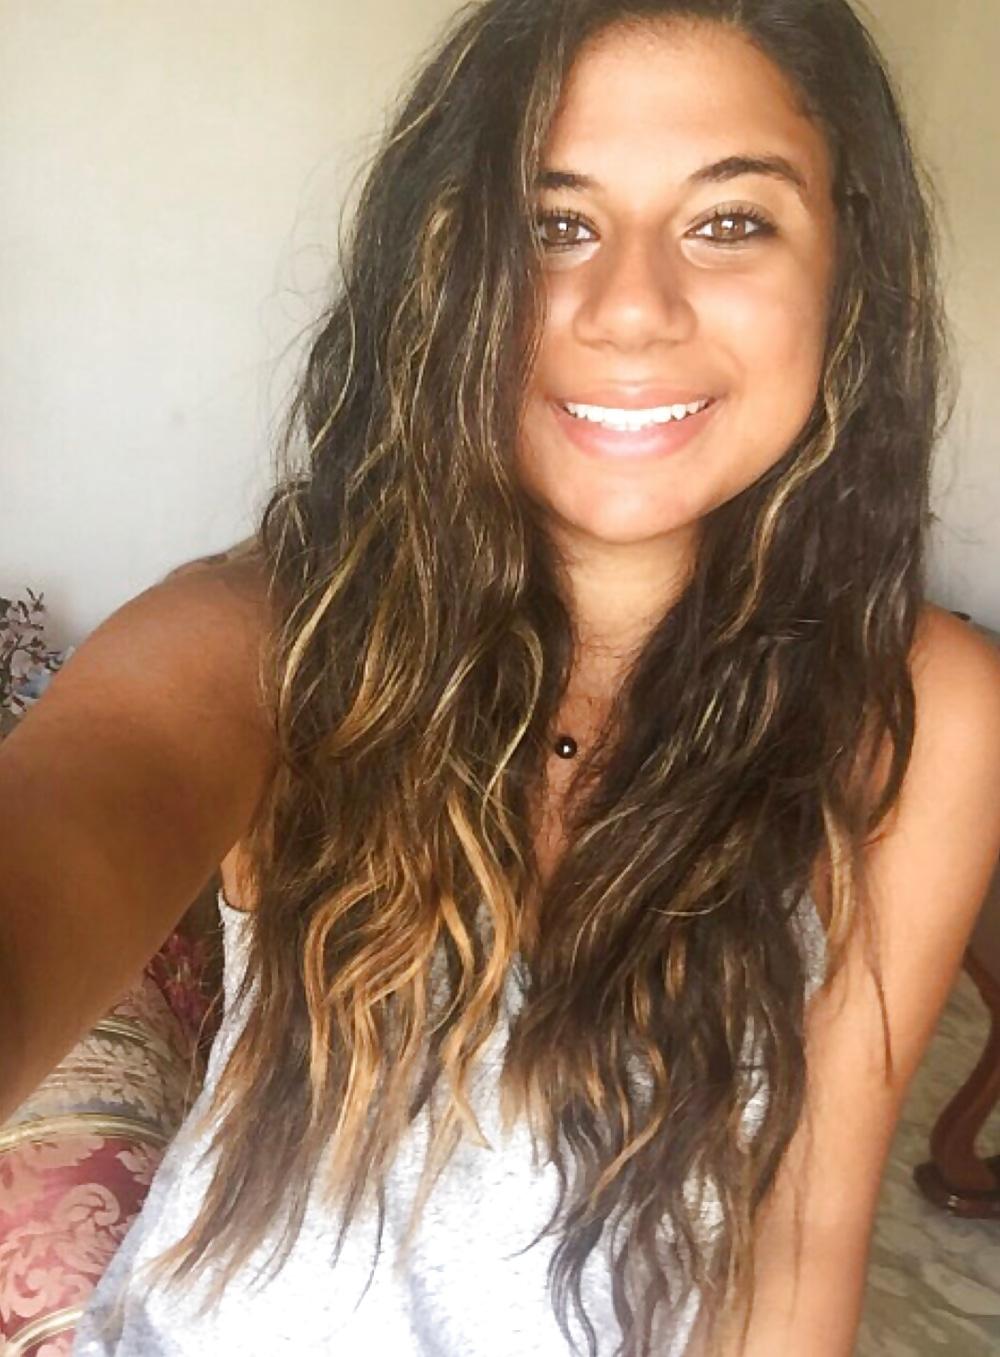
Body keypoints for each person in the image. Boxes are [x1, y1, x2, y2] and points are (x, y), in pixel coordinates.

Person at [2, 0, 999, 1353]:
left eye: (729, 221)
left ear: (848, 270)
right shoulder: (277, 632)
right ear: (448, 267)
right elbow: (62, 839)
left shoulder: (922, 708)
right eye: (553, 223)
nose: (631, 307)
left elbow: (806, 1231)